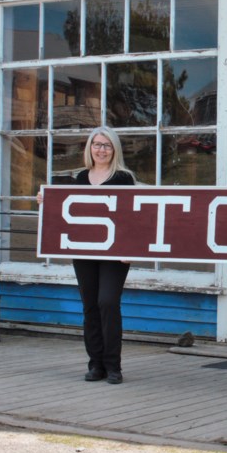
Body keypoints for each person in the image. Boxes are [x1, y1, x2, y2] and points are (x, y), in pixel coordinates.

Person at [38, 126, 136, 383]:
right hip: (84, 252)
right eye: (97, 144)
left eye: (106, 145)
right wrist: (46, 201)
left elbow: (133, 217)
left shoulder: (124, 178)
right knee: (90, 306)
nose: (101, 149)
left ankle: (114, 366)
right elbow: (68, 209)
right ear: (89, 148)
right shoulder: (80, 177)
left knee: (107, 302)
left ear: (114, 150)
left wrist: (130, 248)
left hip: (115, 253)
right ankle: (96, 365)